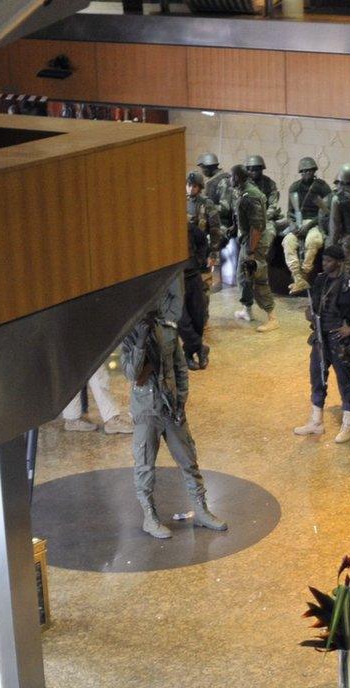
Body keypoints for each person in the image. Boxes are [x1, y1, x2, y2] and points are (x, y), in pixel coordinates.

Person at [124, 296, 229, 539]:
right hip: (146, 410)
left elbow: (180, 369)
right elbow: (131, 373)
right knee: (144, 466)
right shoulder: (129, 337)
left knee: (188, 459)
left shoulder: (168, 332)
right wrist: (140, 343)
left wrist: (181, 400)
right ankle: (149, 518)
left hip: (170, 407)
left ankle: (201, 510)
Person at [293, 245, 350, 441]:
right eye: (323, 260)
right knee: (317, 377)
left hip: (340, 340)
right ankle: (316, 421)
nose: (325, 264)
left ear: (339, 262)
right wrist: (310, 313)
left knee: (345, 381)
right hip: (320, 338)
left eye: (329, 261)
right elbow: (316, 305)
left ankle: (348, 424)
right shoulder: (321, 280)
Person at [230, 166, 277, 331]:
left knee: (257, 277)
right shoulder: (244, 192)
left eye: (232, 176)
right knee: (243, 277)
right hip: (248, 240)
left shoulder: (250, 195)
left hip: (255, 242)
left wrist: (250, 250)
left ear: (237, 177)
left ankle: (272, 317)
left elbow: (257, 227)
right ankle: (247, 310)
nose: (230, 179)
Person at [181, 169, 216, 369]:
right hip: (177, 275)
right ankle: (198, 347)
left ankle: (191, 351)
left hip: (196, 268)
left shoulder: (206, 205)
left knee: (199, 312)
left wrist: (209, 257)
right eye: (189, 184)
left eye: (194, 185)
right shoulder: (180, 208)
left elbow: (211, 233)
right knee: (182, 318)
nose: (191, 188)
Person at [282, 157, 330, 293]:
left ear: (314, 171)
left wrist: (309, 225)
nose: (307, 173)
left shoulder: (322, 187)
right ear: (300, 172)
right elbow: (290, 212)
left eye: (310, 170)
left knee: (313, 241)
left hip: (315, 222)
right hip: (297, 222)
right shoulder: (295, 187)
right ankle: (298, 278)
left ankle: (304, 275)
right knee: (288, 242)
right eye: (304, 171)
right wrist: (292, 225)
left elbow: (326, 211)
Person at [325, 162, 350, 251]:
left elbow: (334, 225)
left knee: (346, 264)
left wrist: (332, 245)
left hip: (348, 239)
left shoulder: (337, 199)